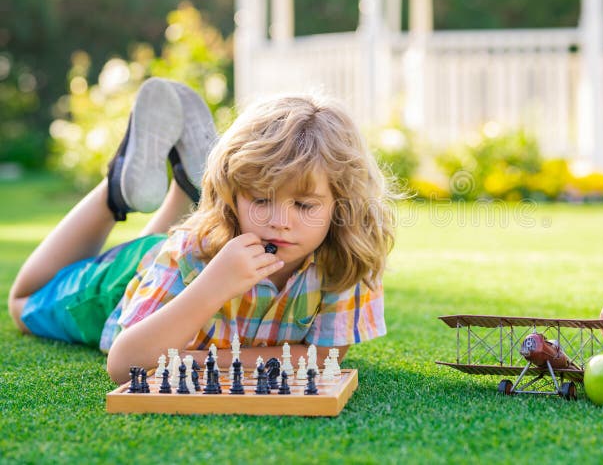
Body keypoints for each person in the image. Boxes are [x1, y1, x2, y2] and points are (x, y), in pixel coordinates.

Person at [8, 78, 394, 384]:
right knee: (22, 304)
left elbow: (321, 358)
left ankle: (184, 183)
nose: (280, 221)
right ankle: (116, 191)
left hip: (171, 266)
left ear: (341, 204)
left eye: (304, 205)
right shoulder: (190, 252)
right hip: (130, 280)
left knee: (171, 243)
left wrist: (191, 362)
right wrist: (214, 285)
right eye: (260, 200)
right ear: (233, 198)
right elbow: (126, 363)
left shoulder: (347, 257)